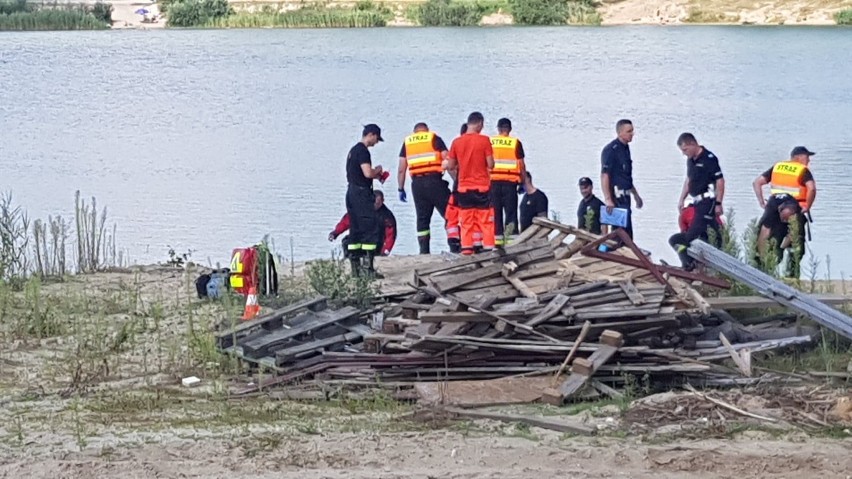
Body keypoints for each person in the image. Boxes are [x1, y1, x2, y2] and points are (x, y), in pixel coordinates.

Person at [752, 146, 817, 278]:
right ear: (798, 157)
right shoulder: (802, 170)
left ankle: (761, 271)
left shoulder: (778, 167)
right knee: (796, 245)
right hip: (792, 210)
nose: (809, 160)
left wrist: (761, 202)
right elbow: (812, 189)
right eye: (807, 157)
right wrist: (807, 206)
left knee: (767, 236)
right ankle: (791, 275)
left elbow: (757, 182)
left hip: (773, 207)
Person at [668, 133, 725, 271]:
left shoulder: (709, 158)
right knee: (709, 235)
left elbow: (720, 180)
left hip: (708, 201)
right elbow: (689, 180)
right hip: (697, 202)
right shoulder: (691, 160)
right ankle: (699, 265)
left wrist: (718, 203)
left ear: (693, 144)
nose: (684, 153)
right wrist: (682, 198)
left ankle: (688, 265)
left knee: (687, 238)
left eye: (685, 149)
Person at [397, 123, 451, 255]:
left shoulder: (407, 142)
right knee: (449, 214)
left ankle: (424, 250)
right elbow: (448, 159)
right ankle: (455, 244)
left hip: (417, 184)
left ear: (414, 132)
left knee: (422, 218)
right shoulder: (434, 138)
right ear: (426, 130)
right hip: (435, 181)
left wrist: (400, 188)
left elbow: (401, 169)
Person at [446, 112, 496, 255]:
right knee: (485, 221)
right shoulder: (484, 140)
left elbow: (450, 165)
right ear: (479, 123)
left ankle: (467, 251)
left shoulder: (456, 142)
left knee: (466, 222)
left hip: (463, 189)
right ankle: (487, 251)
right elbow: (491, 164)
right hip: (482, 188)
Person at [344, 123, 388, 277]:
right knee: (370, 229)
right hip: (362, 194)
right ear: (371, 135)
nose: (376, 143)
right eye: (376, 139)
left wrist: (375, 176)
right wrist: (378, 170)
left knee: (355, 229)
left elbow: (359, 173)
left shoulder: (353, 151)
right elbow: (367, 173)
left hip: (351, 192)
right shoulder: (363, 151)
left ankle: (355, 270)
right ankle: (368, 269)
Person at [601, 119, 643, 239]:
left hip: (626, 196)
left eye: (632, 131)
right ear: (620, 133)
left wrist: (636, 195)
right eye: (629, 131)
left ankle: (629, 252)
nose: (632, 134)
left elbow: (626, 176)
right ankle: (617, 253)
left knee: (628, 231)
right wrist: (608, 199)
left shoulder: (626, 149)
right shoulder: (611, 150)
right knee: (620, 231)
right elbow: (605, 175)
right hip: (616, 197)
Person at [490, 118, 526, 245]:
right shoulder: (515, 143)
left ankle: (497, 243)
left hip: (493, 183)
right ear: (509, 129)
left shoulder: (491, 142)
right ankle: (511, 243)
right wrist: (523, 182)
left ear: (498, 128)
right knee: (511, 214)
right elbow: (521, 164)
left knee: (495, 214)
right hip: (510, 184)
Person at [329, 190, 397, 257]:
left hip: (376, 243)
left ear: (382, 201)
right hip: (359, 240)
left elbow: (391, 235)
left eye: (378, 203)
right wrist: (335, 233)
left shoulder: (387, 216)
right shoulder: (359, 209)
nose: (375, 205)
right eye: (374, 202)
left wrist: (385, 251)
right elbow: (346, 222)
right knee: (346, 242)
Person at [755, 194, 803, 273]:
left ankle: (790, 272)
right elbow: (764, 233)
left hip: (791, 209)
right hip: (775, 208)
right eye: (783, 219)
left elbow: (791, 233)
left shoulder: (797, 213)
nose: (784, 221)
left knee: (792, 243)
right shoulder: (771, 210)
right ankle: (761, 267)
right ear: (780, 210)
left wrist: (781, 249)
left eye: (786, 220)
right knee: (763, 242)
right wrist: (762, 256)